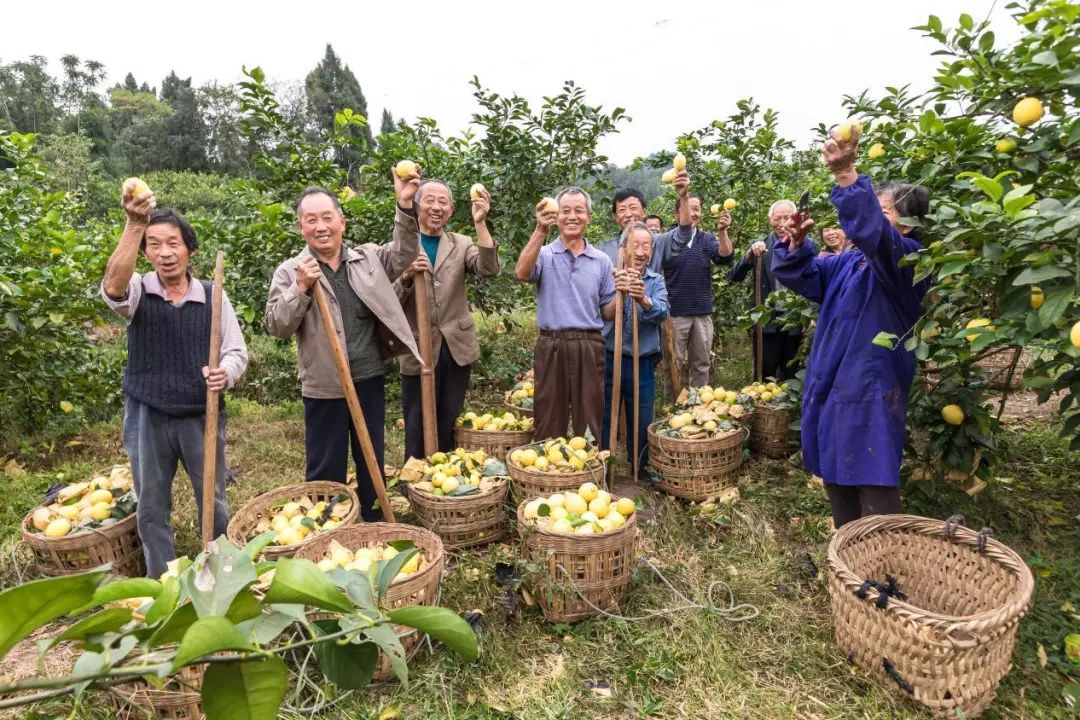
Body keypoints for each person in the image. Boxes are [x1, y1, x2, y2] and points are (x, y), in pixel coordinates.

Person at [771, 126, 930, 528]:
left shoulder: (908, 260)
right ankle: (849, 565)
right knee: (838, 473)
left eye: (885, 211)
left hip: (871, 388)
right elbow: (806, 275)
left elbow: (871, 231)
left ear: (907, 225)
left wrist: (846, 176)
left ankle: (883, 570)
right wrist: (795, 246)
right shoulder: (850, 261)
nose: (874, 218)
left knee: (873, 476)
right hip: (835, 382)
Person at [102, 185, 248, 578]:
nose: (165, 252)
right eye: (154, 245)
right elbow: (112, 290)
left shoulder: (212, 294)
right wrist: (134, 225)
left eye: (173, 243)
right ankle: (161, 581)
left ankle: (218, 573)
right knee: (151, 503)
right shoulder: (138, 290)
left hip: (200, 412)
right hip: (147, 412)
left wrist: (225, 373)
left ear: (189, 250)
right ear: (146, 253)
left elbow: (236, 351)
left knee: (212, 498)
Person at [265, 177, 422, 521]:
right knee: (326, 467)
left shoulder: (367, 258)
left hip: (368, 377)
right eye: (311, 220)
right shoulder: (291, 271)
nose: (321, 227)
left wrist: (405, 206)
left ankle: (375, 524)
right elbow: (276, 325)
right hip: (324, 387)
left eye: (327, 218)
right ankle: (326, 529)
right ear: (300, 226)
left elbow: (404, 253)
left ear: (341, 222)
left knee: (372, 460)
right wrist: (301, 288)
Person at [394, 179, 499, 461]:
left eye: (443, 202)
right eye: (430, 201)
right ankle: (415, 478)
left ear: (451, 211)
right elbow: (387, 297)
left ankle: (445, 477)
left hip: (456, 346)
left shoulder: (461, 243)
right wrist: (405, 277)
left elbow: (488, 268)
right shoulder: (402, 246)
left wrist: (480, 222)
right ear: (417, 207)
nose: (436, 207)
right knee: (416, 418)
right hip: (417, 347)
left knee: (449, 415)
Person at [514, 188, 617, 440]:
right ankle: (548, 475)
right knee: (549, 412)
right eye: (566, 210)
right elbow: (522, 273)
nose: (572, 216)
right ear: (556, 216)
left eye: (579, 210)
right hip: (552, 342)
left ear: (588, 217)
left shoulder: (601, 260)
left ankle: (592, 472)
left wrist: (624, 295)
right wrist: (540, 230)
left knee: (590, 414)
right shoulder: (545, 253)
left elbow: (608, 312)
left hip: (589, 343)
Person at [600, 222, 669, 479]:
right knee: (606, 413)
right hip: (610, 356)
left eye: (646, 246)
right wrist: (618, 293)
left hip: (643, 361)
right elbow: (600, 313)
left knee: (641, 416)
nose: (640, 252)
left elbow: (662, 311)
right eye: (634, 245)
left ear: (651, 251)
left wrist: (643, 299)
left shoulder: (655, 281)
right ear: (622, 248)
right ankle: (603, 466)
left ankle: (639, 465)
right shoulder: (609, 276)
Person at [654, 192, 734, 388]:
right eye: (687, 209)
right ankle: (673, 408)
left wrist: (722, 231)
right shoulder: (667, 240)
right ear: (676, 214)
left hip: (702, 312)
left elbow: (725, 257)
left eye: (696, 209)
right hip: (674, 313)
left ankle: (698, 408)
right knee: (673, 364)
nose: (692, 214)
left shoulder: (706, 239)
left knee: (701, 363)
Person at [729, 200, 806, 380]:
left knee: (792, 375)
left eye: (787, 218)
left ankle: (788, 408)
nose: (782, 223)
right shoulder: (760, 245)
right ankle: (763, 409)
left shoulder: (806, 246)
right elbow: (735, 276)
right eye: (777, 218)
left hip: (795, 321)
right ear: (769, 219)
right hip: (767, 323)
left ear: (795, 219)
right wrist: (749, 255)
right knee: (764, 374)